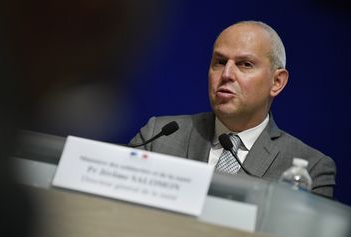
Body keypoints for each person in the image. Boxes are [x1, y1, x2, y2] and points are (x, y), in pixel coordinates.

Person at [129, 21, 336, 198]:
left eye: (245, 64)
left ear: (277, 82)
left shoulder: (311, 168)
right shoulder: (158, 136)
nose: (226, 74)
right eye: (219, 62)